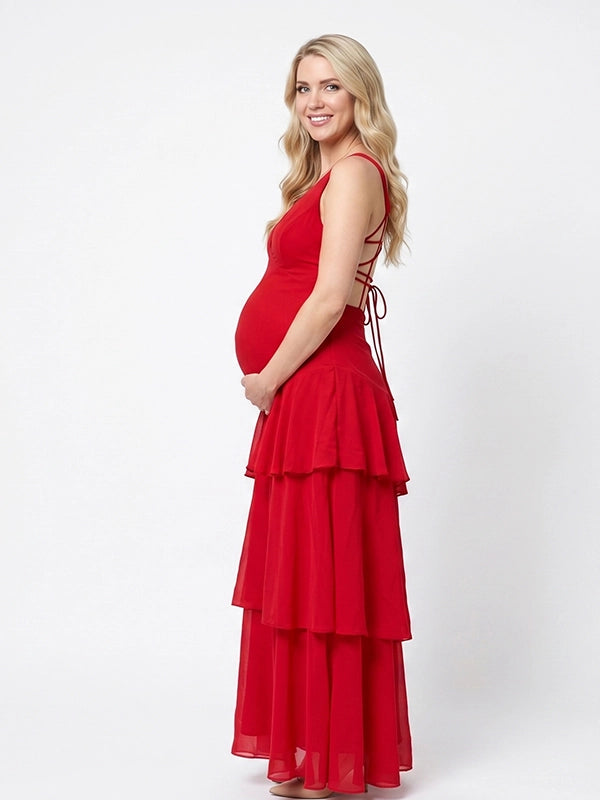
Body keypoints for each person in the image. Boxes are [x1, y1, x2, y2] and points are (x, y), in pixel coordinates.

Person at [231, 33, 412, 799]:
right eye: (304, 87)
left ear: (359, 94)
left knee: (327, 579)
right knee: (307, 576)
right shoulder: (325, 177)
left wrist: (268, 377)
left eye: (331, 86)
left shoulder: (356, 173)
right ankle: (317, 747)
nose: (314, 101)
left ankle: (335, 761)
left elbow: (332, 296)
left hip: (322, 392)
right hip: (307, 395)